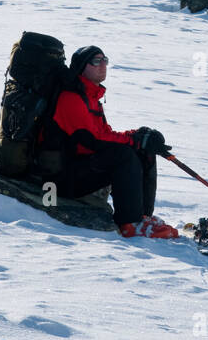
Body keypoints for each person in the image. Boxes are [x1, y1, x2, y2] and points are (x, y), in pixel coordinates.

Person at [46, 45, 178, 240]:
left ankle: (142, 217)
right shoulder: (71, 98)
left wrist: (139, 138)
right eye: (96, 61)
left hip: (79, 169)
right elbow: (92, 140)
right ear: (82, 67)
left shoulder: (90, 97)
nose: (103, 65)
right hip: (57, 179)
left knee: (142, 151)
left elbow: (104, 134)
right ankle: (130, 224)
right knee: (123, 155)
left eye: (105, 60)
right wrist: (133, 139)